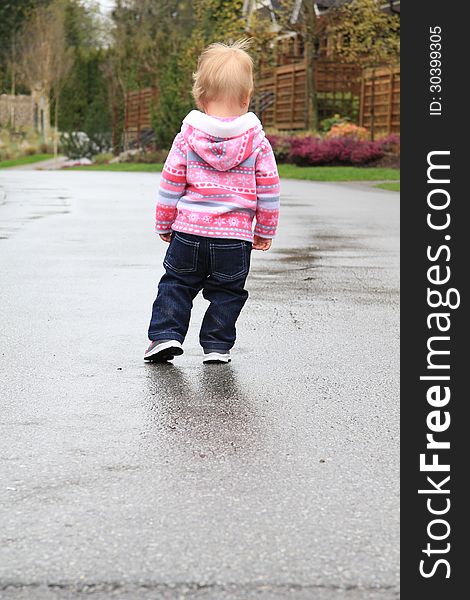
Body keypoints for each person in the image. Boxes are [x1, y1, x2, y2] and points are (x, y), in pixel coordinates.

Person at [144, 39, 280, 364]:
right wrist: (264, 229)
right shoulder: (257, 143)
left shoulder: (187, 138)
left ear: (201, 98)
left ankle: (165, 336)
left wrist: (164, 223)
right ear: (246, 98)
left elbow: (170, 182)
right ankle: (217, 346)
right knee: (228, 293)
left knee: (176, 283)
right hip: (234, 239)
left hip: (189, 233)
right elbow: (270, 190)